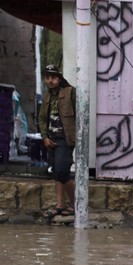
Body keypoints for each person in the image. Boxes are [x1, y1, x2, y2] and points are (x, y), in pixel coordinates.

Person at [38, 64, 77, 219]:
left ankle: (75, 205)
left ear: (59, 79)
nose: (50, 81)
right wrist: (45, 137)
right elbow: (42, 119)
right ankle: (60, 205)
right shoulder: (47, 96)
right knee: (56, 172)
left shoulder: (70, 92)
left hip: (65, 139)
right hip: (51, 140)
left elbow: (80, 115)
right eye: (47, 78)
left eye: (53, 78)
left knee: (62, 171)